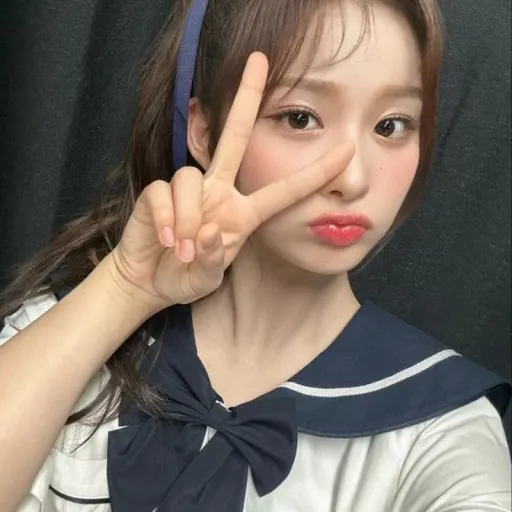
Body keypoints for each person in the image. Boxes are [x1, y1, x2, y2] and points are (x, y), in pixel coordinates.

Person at [0, 0, 510, 510]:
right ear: (204, 133)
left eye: (391, 126)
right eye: (301, 118)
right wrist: (126, 290)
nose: (354, 180)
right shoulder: (63, 332)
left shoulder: (441, 430)